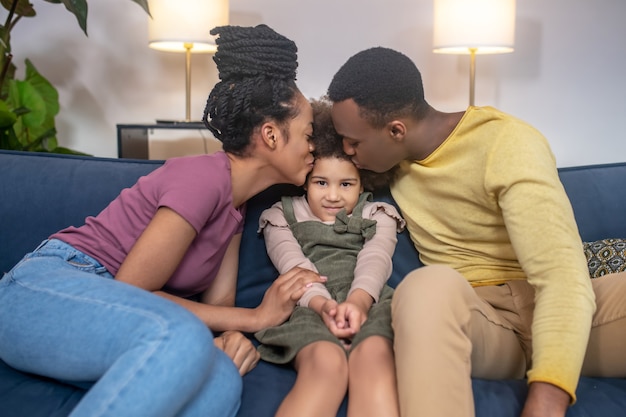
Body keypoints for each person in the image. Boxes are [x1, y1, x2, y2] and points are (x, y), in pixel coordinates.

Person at [0, 24, 326, 417]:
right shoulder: (202, 178)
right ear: (271, 135)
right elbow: (133, 292)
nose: (313, 148)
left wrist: (234, 334)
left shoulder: (237, 206)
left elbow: (219, 304)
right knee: (180, 333)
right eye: (308, 134)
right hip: (46, 289)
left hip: (120, 322)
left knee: (223, 380)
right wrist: (256, 318)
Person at [326, 46, 626, 417]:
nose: (346, 151)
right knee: (425, 286)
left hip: (559, 312)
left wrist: (547, 399)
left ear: (396, 130)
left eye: (353, 142)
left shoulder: (507, 142)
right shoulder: (386, 161)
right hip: (484, 322)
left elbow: (562, 276)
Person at [254, 99, 405, 417]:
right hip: (308, 305)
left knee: (376, 356)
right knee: (325, 362)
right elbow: (295, 267)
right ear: (306, 178)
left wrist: (358, 302)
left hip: (371, 300)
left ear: (363, 183)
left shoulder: (377, 212)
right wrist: (325, 307)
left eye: (346, 184)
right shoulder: (282, 215)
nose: (333, 195)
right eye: (321, 182)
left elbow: (376, 258)